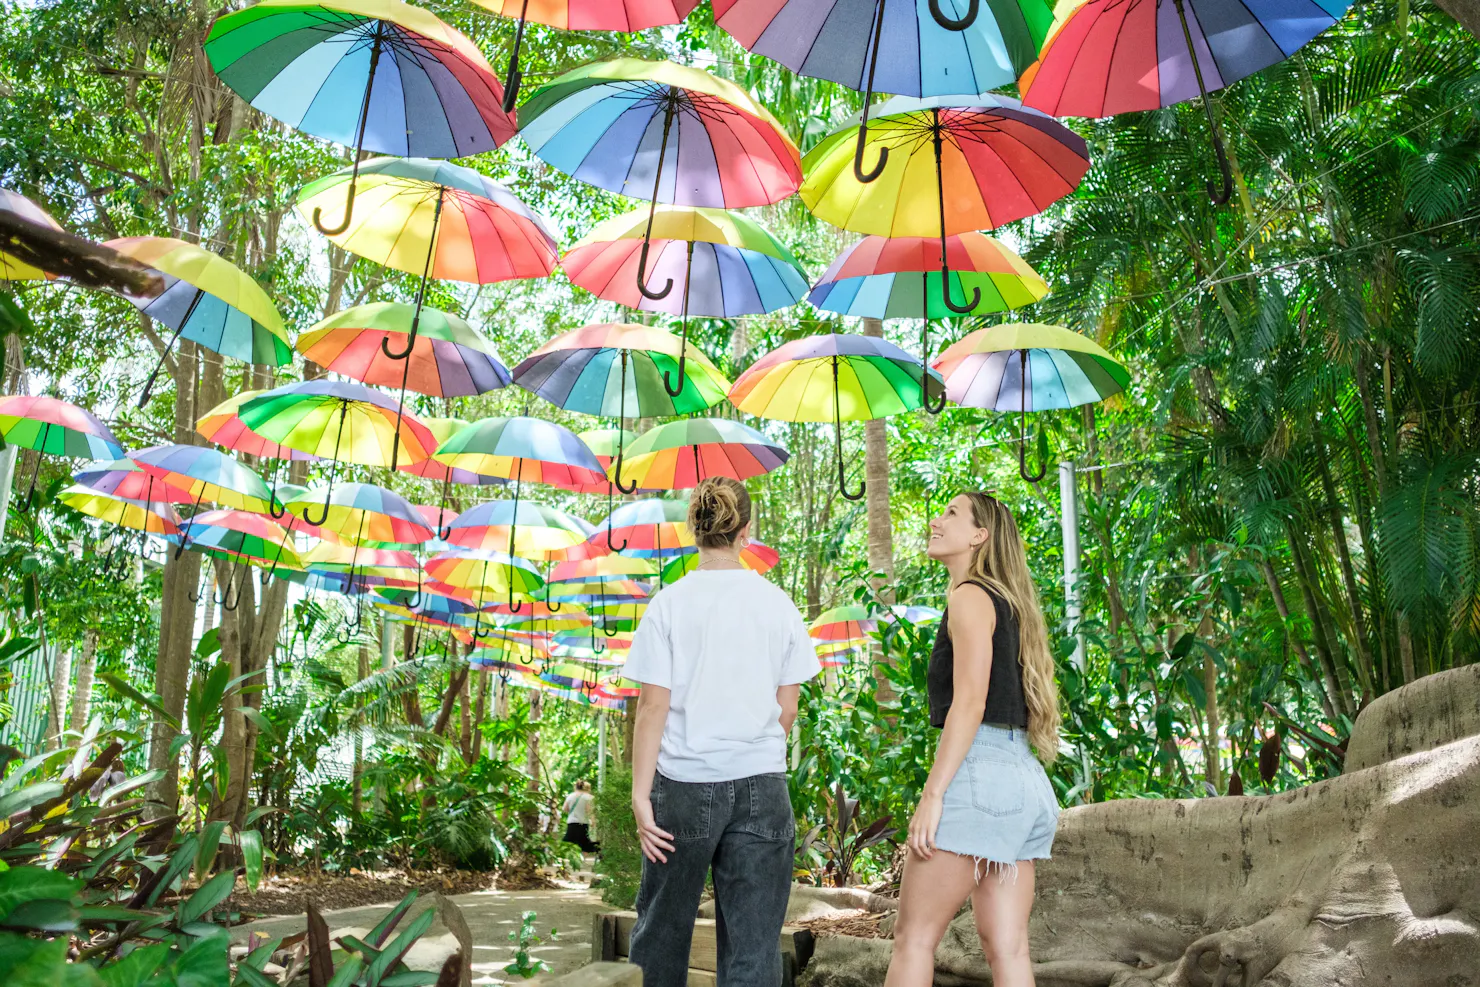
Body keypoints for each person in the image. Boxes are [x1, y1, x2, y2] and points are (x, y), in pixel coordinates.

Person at [623, 477, 821, 987]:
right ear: (746, 531)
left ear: (694, 528)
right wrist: (747, 744)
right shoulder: (778, 604)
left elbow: (653, 708)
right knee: (754, 951)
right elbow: (787, 708)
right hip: (763, 786)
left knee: (662, 936)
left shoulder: (668, 604)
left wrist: (641, 796)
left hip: (683, 786)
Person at [884, 492, 1062, 987]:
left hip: (980, 774)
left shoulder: (968, 597)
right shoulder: (1007, 602)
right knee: (1009, 950)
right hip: (1024, 781)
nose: (935, 521)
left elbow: (970, 703)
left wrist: (933, 795)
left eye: (951, 514)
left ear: (979, 536)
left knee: (914, 939)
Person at [562, 780, 599, 854]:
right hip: (583, 823)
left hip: (571, 822)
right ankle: (599, 852)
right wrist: (593, 822)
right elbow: (590, 811)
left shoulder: (570, 796)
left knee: (569, 843)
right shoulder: (589, 797)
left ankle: (572, 859)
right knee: (584, 843)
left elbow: (564, 809)